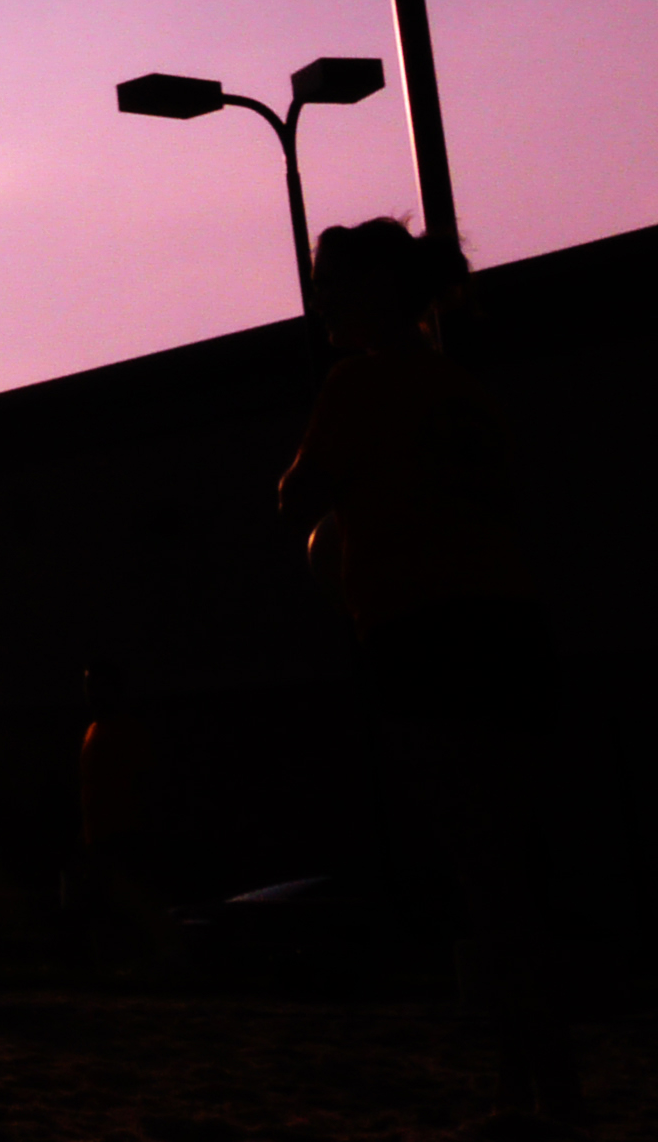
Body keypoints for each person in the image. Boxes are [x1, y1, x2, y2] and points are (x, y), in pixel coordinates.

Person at [277, 217, 569, 1123]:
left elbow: (297, 496)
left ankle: (527, 1082)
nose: (318, 299)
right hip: (507, 625)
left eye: (330, 285)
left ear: (369, 295)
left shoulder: (356, 385)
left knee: (479, 865)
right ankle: (549, 1069)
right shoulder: (459, 388)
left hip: (423, 633)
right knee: (515, 859)